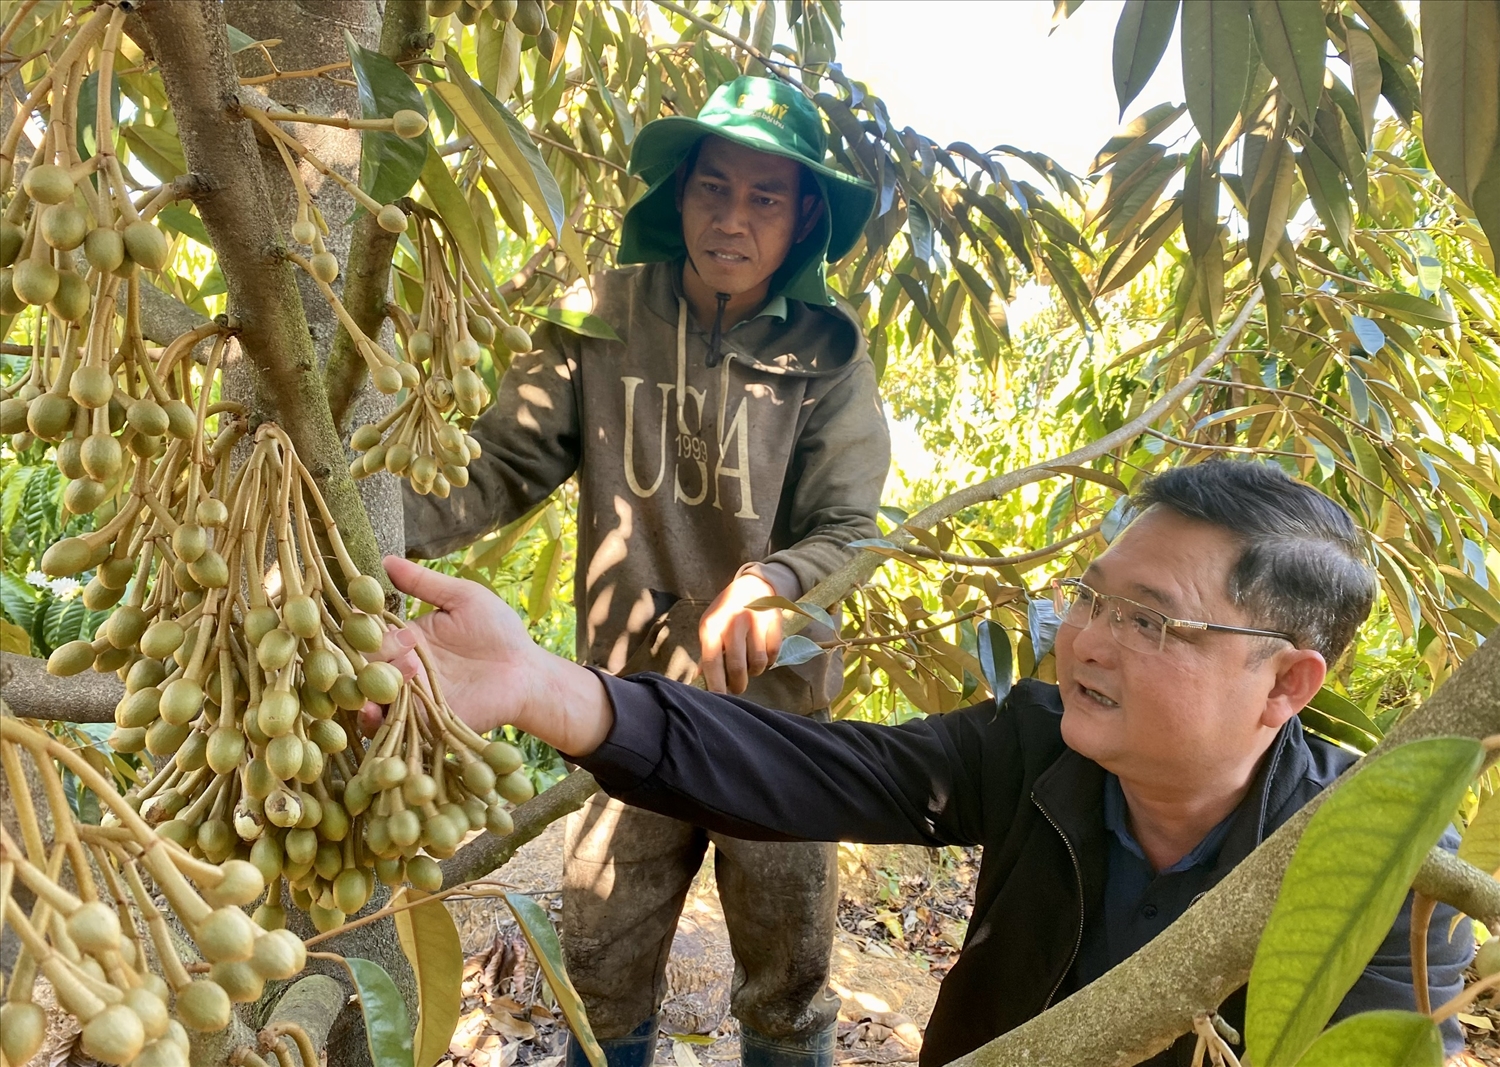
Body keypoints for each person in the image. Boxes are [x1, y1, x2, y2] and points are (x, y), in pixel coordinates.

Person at [377, 461, 1471, 1066]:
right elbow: (810, 767)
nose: (1086, 638)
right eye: (1091, 596)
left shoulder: (1380, 868)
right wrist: (545, 688)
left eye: (1149, 620)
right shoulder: (1035, 744)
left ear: (1286, 684)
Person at [402, 76, 889, 1067]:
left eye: (764, 198)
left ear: (801, 219)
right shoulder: (607, 315)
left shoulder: (829, 354)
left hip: (775, 719)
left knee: (788, 978)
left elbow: (850, 527)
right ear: (680, 197)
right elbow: (501, 465)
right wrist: (371, 521)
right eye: (714, 188)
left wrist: (779, 583)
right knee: (604, 965)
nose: (732, 217)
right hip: (623, 707)